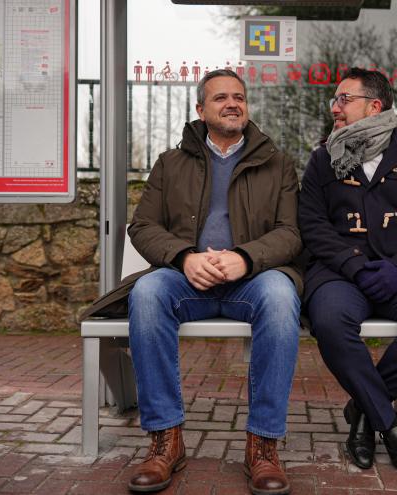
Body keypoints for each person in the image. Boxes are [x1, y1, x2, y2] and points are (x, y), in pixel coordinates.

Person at [83, 69, 301, 495]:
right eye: (221, 98)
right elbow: (143, 227)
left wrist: (245, 257)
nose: (232, 103)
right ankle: (166, 440)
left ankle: (263, 445)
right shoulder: (171, 163)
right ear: (200, 110)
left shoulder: (277, 163)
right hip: (187, 280)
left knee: (280, 295)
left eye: (239, 96)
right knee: (147, 292)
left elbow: (291, 233)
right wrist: (184, 257)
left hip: (250, 281)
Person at [298, 68, 397, 479]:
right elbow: (312, 224)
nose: (334, 108)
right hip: (339, 273)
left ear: (374, 106)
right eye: (334, 100)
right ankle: (389, 425)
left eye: (343, 100)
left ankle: (362, 411)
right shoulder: (323, 159)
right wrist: (351, 264)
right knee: (331, 321)